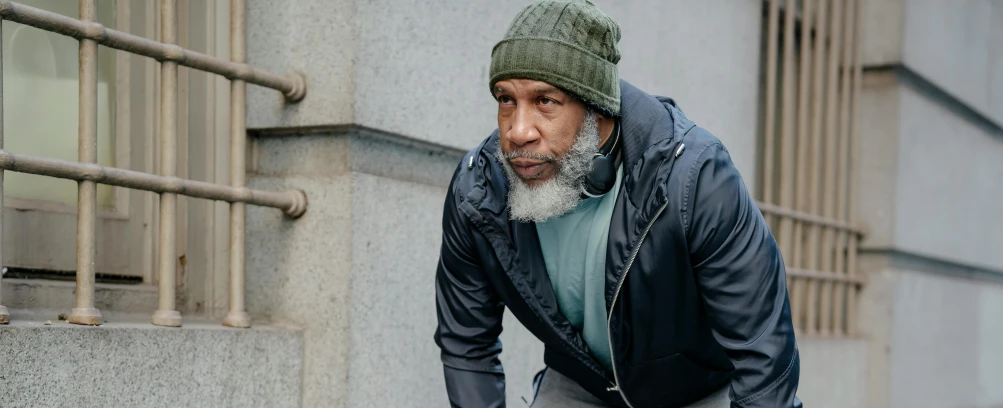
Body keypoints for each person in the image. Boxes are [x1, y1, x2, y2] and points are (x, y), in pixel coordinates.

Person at [433, 1, 802, 407]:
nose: (518, 131)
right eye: (506, 100)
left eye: (545, 101)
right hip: (582, 382)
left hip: (701, 387)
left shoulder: (694, 178)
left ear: (596, 106)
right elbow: (467, 342)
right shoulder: (478, 190)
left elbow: (763, 352)